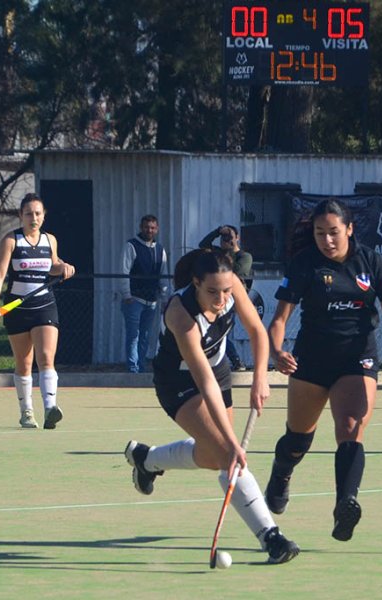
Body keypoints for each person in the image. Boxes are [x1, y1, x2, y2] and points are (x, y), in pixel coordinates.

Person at [124, 248, 299, 564]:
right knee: (227, 455)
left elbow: (258, 332)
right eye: (212, 292)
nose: (221, 299)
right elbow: (203, 383)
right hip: (179, 382)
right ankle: (271, 538)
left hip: (218, 373)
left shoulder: (231, 287)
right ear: (195, 283)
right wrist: (232, 444)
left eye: (227, 291)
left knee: (210, 456)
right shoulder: (181, 313)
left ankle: (146, 459)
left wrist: (261, 377)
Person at [265, 198, 382, 542]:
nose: (326, 240)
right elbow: (279, 320)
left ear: (349, 229)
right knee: (298, 439)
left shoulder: (372, 261)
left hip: (356, 359)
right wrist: (276, 351)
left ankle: (346, 503)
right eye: (319, 233)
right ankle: (282, 471)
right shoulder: (304, 264)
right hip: (311, 360)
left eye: (333, 232)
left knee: (350, 427)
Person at [0, 193, 76, 429]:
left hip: (44, 305)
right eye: (28, 214)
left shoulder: (50, 240)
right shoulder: (11, 241)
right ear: (21, 216)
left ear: (44, 216)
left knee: (46, 357)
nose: (33, 218)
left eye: (38, 213)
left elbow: (54, 265)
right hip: (17, 308)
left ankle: (50, 408)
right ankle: (26, 411)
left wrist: (65, 267)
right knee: (24, 364)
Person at [119, 215, 168, 373]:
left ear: (157, 229)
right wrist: (126, 294)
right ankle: (133, 368)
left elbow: (163, 274)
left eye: (153, 227)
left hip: (151, 301)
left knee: (145, 335)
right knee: (133, 334)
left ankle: (141, 365)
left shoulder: (160, 250)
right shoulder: (131, 246)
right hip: (134, 299)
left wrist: (164, 297)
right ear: (141, 227)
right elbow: (124, 271)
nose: (149, 230)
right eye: (147, 227)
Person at [199, 224, 252, 371]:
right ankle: (233, 360)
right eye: (224, 238)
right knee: (218, 329)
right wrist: (217, 232)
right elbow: (202, 245)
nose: (226, 241)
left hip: (234, 298)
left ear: (237, 238)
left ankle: (234, 360)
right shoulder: (218, 254)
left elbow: (236, 273)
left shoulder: (244, 256)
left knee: (222, 330)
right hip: (217, 297)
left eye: (230, 237)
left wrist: (229, 251)